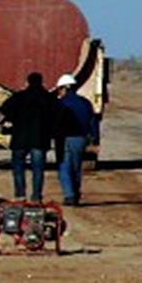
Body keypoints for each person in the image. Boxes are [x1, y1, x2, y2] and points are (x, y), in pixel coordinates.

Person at [0, 72, 58, 202]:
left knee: (18, 167)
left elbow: (5, 109)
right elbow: (55, 116)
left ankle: (20, 194)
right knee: (38, 169)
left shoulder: (19, 97)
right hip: (39, 139)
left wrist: (13, 119)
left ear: (28, 82)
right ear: (41, 82)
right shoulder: (48, 98)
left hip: (20, 138)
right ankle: (36, 196)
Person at [53, 74, 98, 205]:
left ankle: (69, 195)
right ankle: (75, 193)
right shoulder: (86, 103)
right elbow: (93, 122)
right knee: (76, 166)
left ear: (63, 88)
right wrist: (95, 140)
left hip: (63, 138)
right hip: (80, 138)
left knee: (64, 166)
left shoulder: (60, 103)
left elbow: (54, 122)